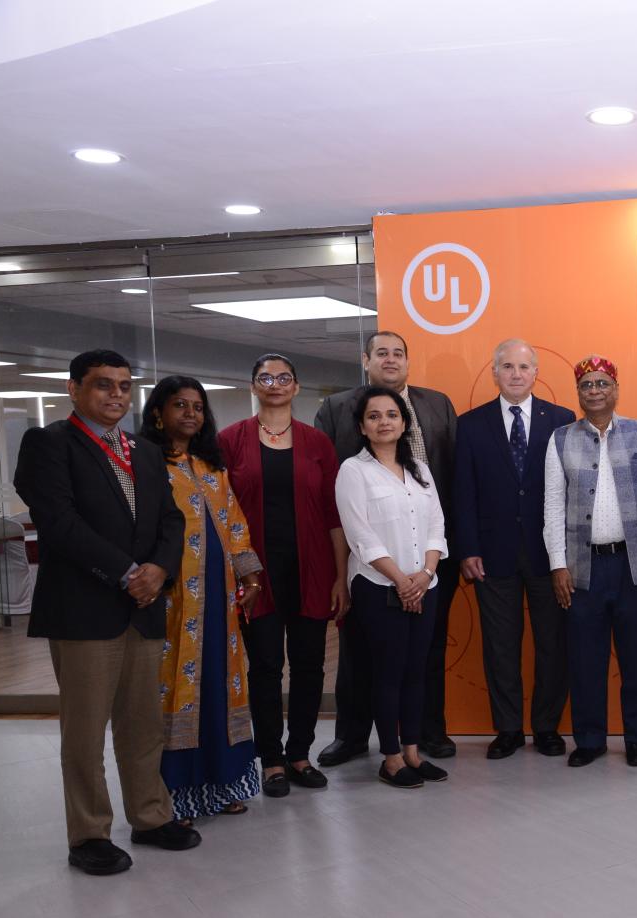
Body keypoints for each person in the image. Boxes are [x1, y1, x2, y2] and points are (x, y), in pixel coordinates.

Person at [14, 349, 198, 874]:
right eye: (102, 385)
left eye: (123, 386)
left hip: (142, 608)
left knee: (143, 725)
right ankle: (89, 834)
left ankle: (150, 816)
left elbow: (171, 519)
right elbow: (59, 522)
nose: (115, 395)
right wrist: (127, 572)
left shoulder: (143, 450)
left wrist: (158, 572)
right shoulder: (49, 444)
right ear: (74, 390)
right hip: (84, 608)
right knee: (86, 731)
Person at [316, 331, 458, 765]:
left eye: (399, 353)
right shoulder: (337, 409)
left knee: (424, 655)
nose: (391, 359)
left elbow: (447, 482)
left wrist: (427, 571)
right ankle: (355, 736)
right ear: (366, 360)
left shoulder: (438, 405)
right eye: (382, 353)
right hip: (374, 569)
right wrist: (397, 578)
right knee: (364, 656)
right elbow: (339, 503)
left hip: (427, 560)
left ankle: (424, 737)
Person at [220, 354, 349, 798]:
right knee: (266, 668)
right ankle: (271, 759)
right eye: (265, 377)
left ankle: (300, 754)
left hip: (312, 570)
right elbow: (220, 513)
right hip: (256, 577)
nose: (275, 384)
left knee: (311, 667)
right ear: (253, 386)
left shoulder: (317, 443)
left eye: (284, 377)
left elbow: (334, 514)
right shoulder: (231, 441)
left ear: (296, 387)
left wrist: (340, 576)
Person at [141, 378, 264, 822]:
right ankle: (174, 795)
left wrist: (250, 576)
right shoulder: (148, 463)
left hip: (219, 603)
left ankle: (223, 784)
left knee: (220, 685)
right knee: (176, 689)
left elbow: (234, 524)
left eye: (197, 406)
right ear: (158, 413)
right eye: (180, 406)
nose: (191, 414)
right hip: (173, 603)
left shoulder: (211, 467)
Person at [543, 356, 637, 768]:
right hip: (583, 567)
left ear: (616, 389)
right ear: (577, 393)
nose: (595, 391)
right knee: (585, 658)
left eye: (602, 384)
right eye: (587, 385)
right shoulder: (560, 438)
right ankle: (590, 739)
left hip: (634, 562)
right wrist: (558, 564)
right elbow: (552, 506)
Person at [453, 338, 574, 760]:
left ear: (536, 372)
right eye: (507, 367)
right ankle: (507, 729)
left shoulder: (562, 420)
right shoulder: (469, 425)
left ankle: (546, 727)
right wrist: (467, 547)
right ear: (494, 372)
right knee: (500, 646)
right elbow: (462, 492)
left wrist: (567, 552)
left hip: (549, 555)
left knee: (552, 645)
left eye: (524, 367)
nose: (516, 374)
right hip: (492, 553)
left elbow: (573, 492)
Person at [335, 386, 450, 788]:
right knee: (388, 673)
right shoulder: (353, 470)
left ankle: (414, 753)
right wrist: (402, 581)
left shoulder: (419, 468)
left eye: (392, 415)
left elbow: (437, 523)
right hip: (378, 587)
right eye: (374, 416)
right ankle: (391, 758)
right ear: (363, 427)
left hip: (425, 584)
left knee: (416, 671)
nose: (384, 422)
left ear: (404, 423)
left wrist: (425, 574)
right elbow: (360, 535)